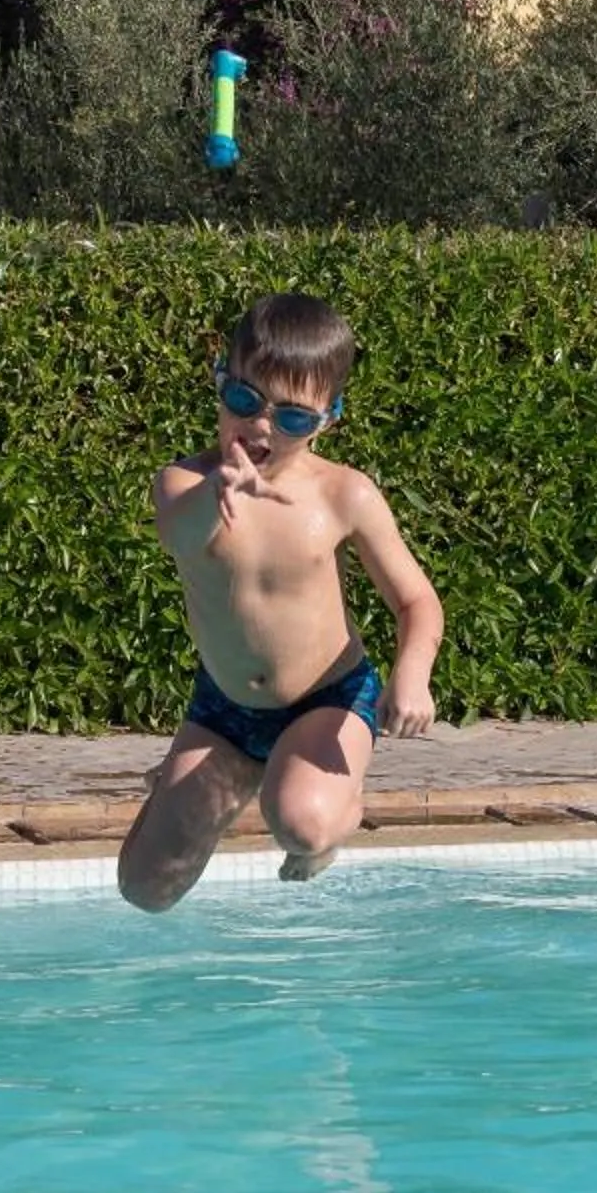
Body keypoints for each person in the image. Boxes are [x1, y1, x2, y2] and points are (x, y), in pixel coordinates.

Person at [119, 292, 443, 909]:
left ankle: (330, 822)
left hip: (329, 698)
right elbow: (180, 537)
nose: (262, 426)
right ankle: (232, 774)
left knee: (302, 823)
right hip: (225, 709)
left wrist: (413, 675)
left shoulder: (344, 494)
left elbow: (416, 600)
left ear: (328, 419)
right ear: (220, 382)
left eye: (292, 418)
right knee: (145, 890)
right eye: (245, 400)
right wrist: (220, 490)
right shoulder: (185, 483)